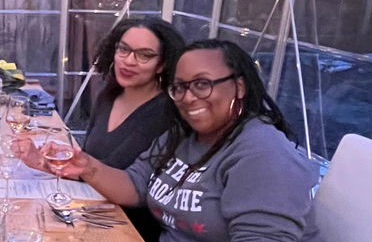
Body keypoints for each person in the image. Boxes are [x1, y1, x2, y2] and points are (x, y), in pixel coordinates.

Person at [28, 39, 322, 241]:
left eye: (202, 84)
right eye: (179, 87)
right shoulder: (181, 136)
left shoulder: (263, 155)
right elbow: (135, 186)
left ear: (240, 86)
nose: (188, 97)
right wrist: (86, 166)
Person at [18, 17, 184, 241]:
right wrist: (43, 162)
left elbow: (115, 173)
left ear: (162, 64)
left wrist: (56, 165)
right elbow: (89, 164)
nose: (129, 61)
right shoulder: (108, 96)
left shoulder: (165, 113)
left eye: (144, 55)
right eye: (123, 49)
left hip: (126, 227)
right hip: (87, 211)